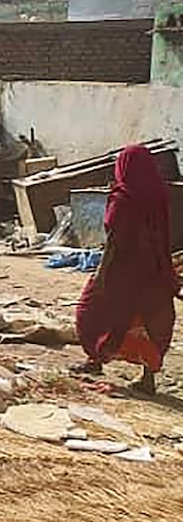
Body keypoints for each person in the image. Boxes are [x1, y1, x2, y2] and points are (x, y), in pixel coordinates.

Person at [74, 145, 179, 395]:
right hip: (155, 269)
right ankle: (148, 378)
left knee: (91, 311)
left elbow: (114, 240)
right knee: (151, 321)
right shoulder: (160, 194)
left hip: (123, 270)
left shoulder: (123, 197)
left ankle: (96, 360)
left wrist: (101, 274)